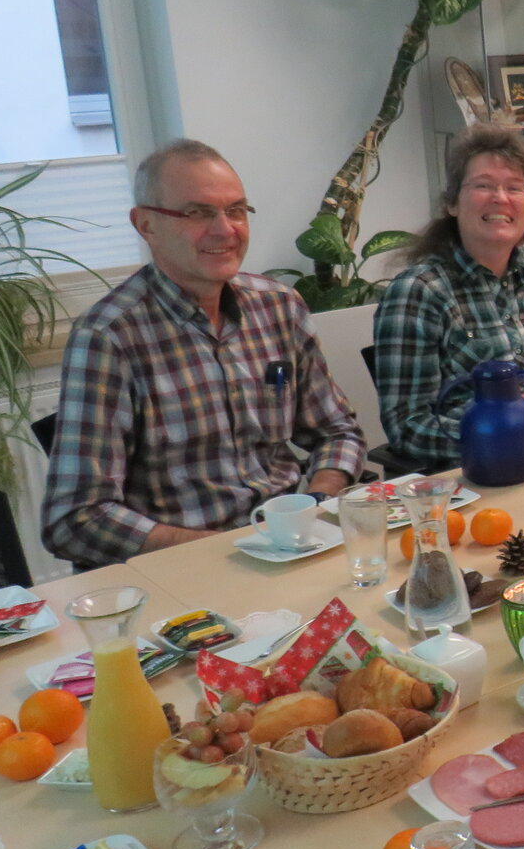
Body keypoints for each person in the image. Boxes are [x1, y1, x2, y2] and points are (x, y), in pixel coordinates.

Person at [41, 140, 366, 567]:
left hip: (292, 547)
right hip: (188, 568)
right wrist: (221, 548)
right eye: (197, 213)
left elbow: (337, 431)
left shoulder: (279, 307)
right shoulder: (110, 336)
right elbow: (75, 519)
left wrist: (317, 500)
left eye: (235, 210)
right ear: (145, 225)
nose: (224, 230)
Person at [373, 124, 524, 471]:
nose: (501, 198)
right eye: (483, 185)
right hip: (483, 473)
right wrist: (495, 427)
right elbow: (407, 425)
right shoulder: (418, 293)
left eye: (515, 188)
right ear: (451, 203)